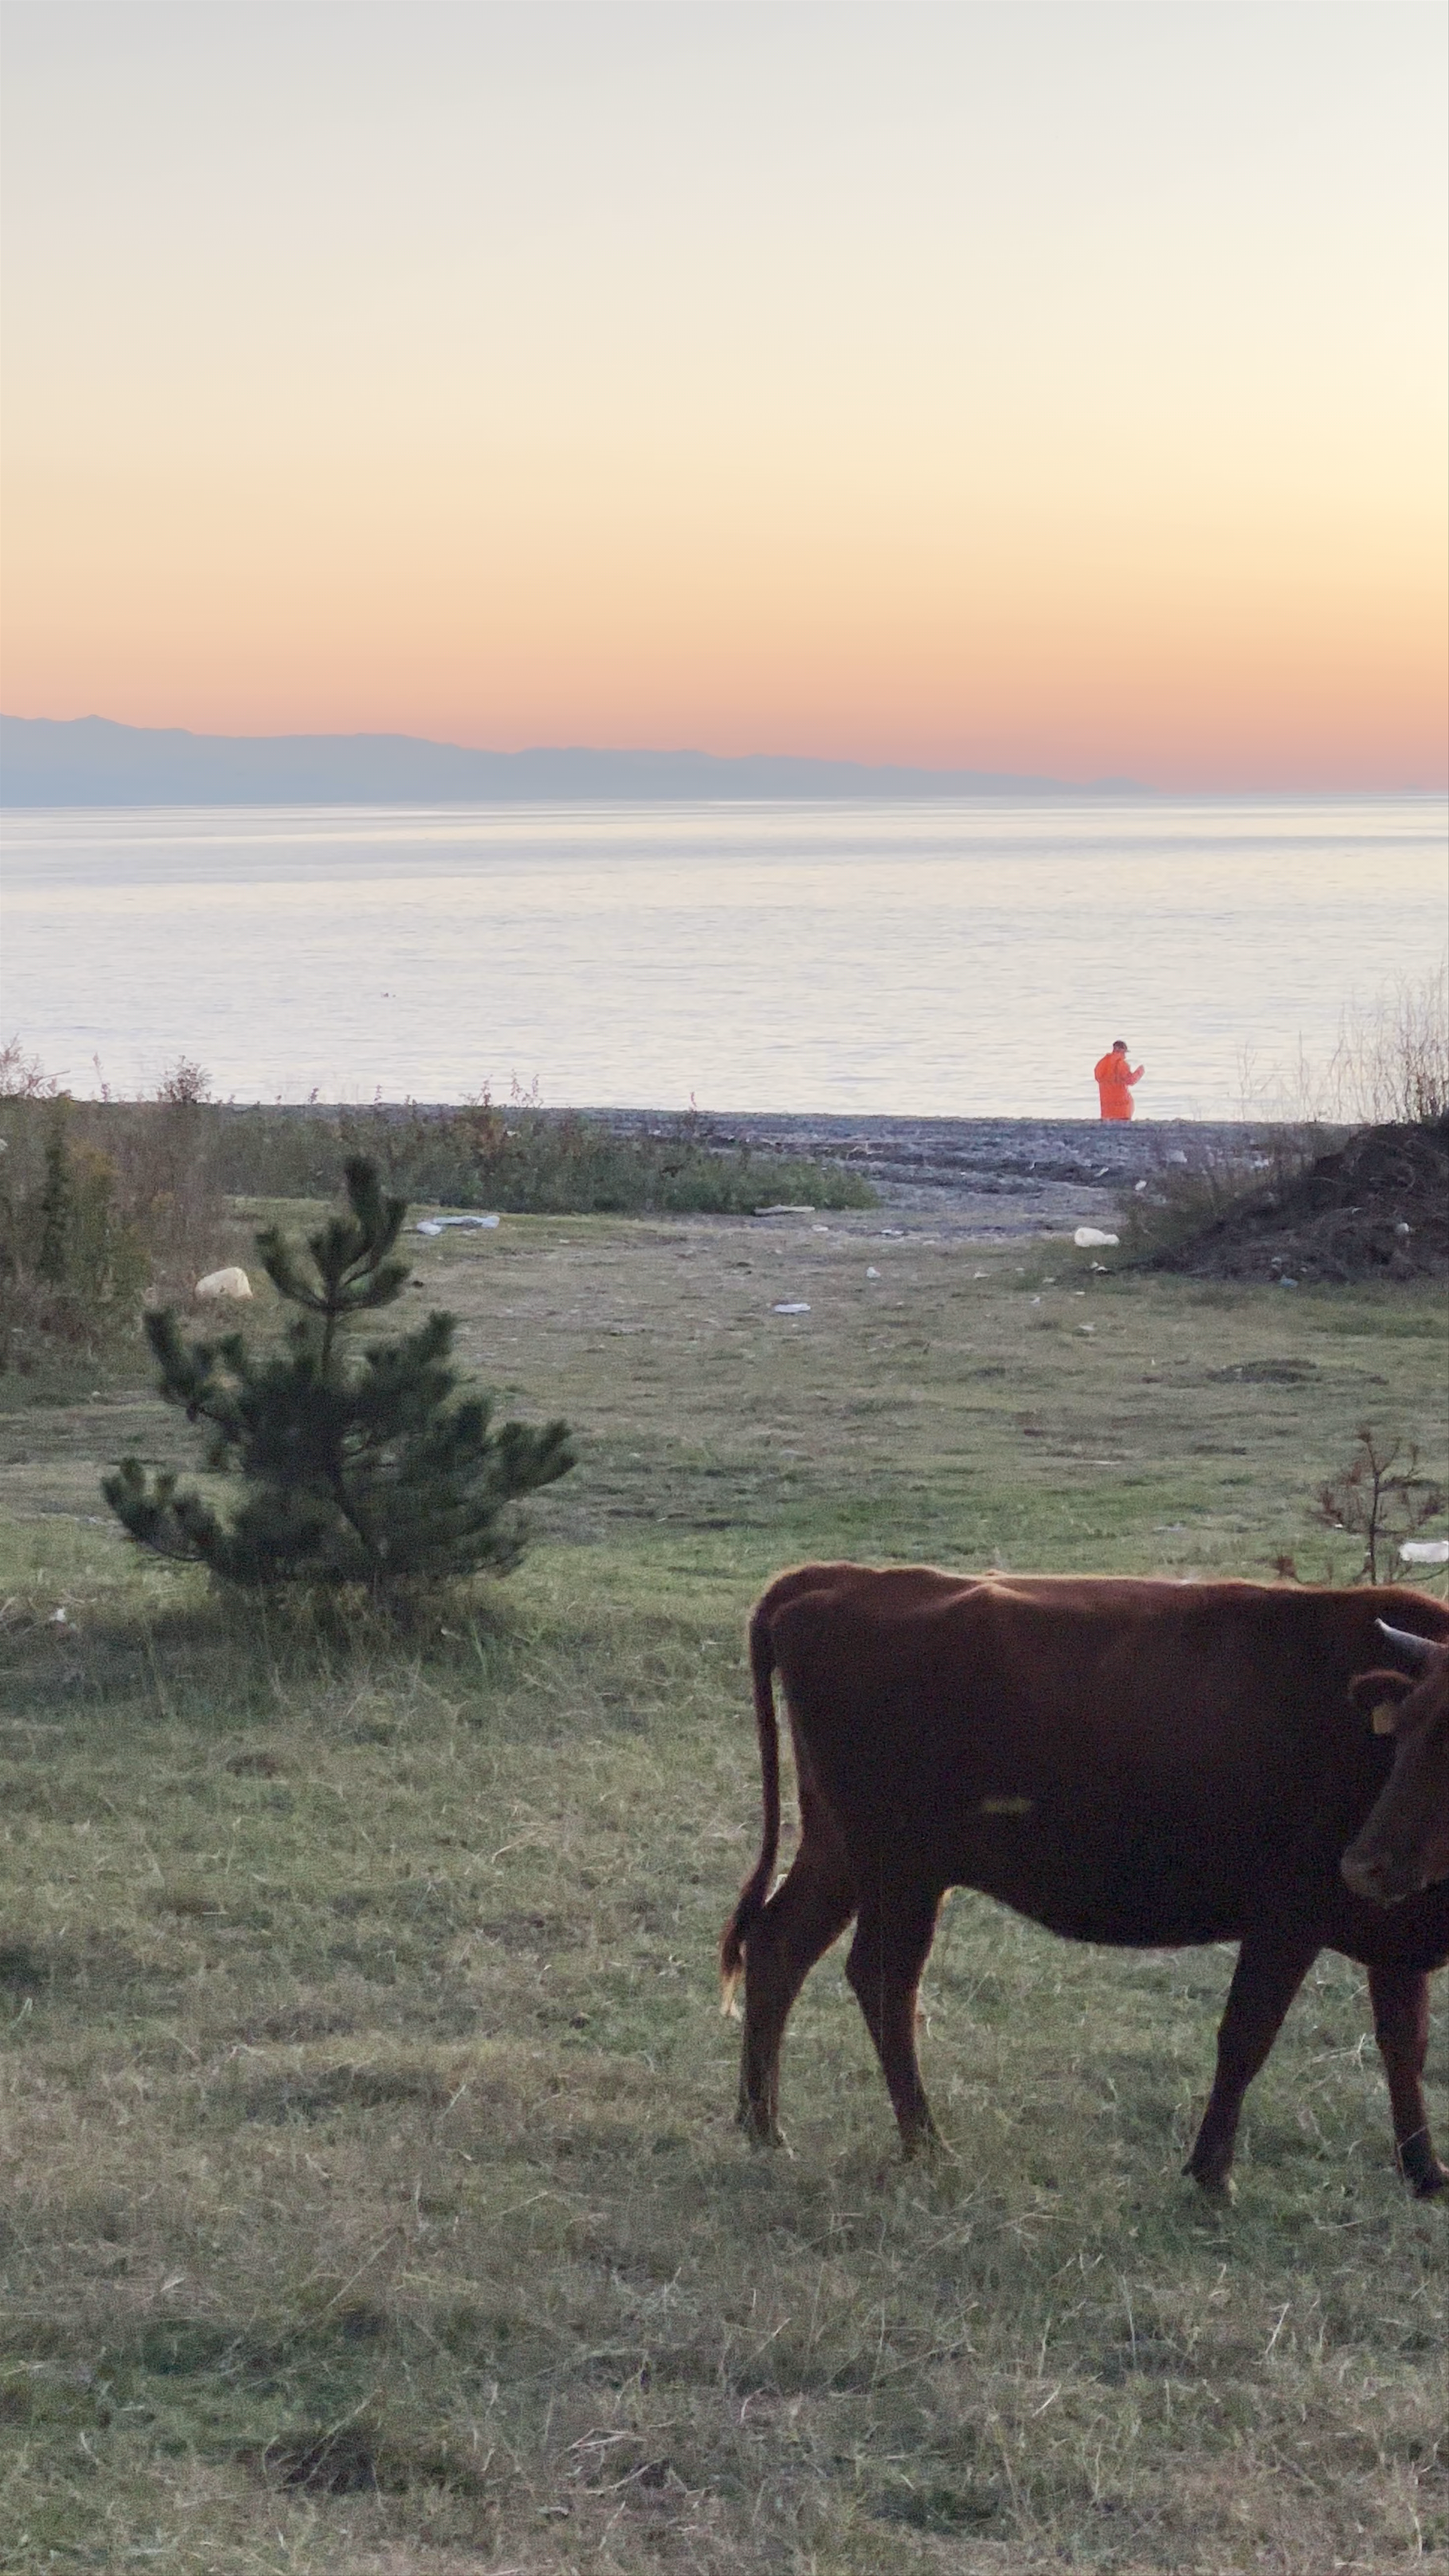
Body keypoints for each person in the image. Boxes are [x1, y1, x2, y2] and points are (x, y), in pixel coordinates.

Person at [1094, 1039, 1143, 1121]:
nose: (1125, 1056)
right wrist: (1140, 1072)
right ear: (1121, 1051)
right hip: (1122, 1110)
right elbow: (1131, 1081)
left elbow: (1098, 1078)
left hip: (1107, 1110)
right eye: (1124, 1053)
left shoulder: (1102, 1063)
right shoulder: (1121, 1064)